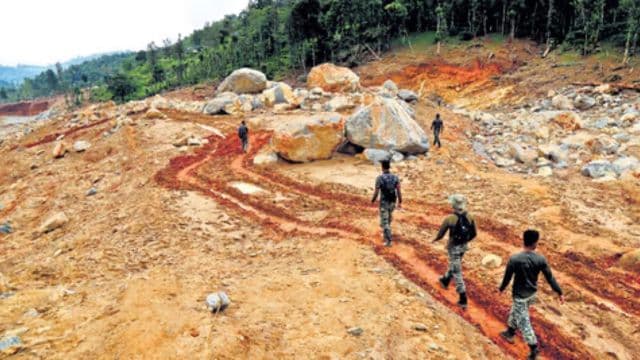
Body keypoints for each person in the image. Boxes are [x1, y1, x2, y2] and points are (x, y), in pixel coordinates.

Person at [499, 230, 564, 360]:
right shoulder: (540, 259)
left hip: (520, 296)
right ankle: (510, 332)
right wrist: (559, 292)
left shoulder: (515, 259)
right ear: (535, 243)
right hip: (532, 294)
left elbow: (507, 278)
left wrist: (501, 289)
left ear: (523, 240)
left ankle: (534, 349)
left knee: (524, 322)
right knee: (516, 311)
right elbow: (550, 278)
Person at [432, 194, 476, 309]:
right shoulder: (470, 217)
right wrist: (465, 242)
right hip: (463, 247)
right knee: (455, 265)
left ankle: (463, 298)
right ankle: (445, 280)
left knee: (457, 272)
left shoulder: (450, 219)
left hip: (453, 248)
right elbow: (474, 234)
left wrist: (435, 239)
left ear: (453, 205)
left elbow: (441, 234)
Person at [371, 160, 402, 247]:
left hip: (384, 202)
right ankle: (386, 235)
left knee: (384, 222)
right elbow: (399, 191)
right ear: (389, 167)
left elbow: (376, 192)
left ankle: (388, 241)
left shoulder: (379, 178)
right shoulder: (395, 177)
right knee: (388, 218)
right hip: (392, 201)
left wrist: (373, 200)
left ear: (382, 167)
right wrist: (400, 201)